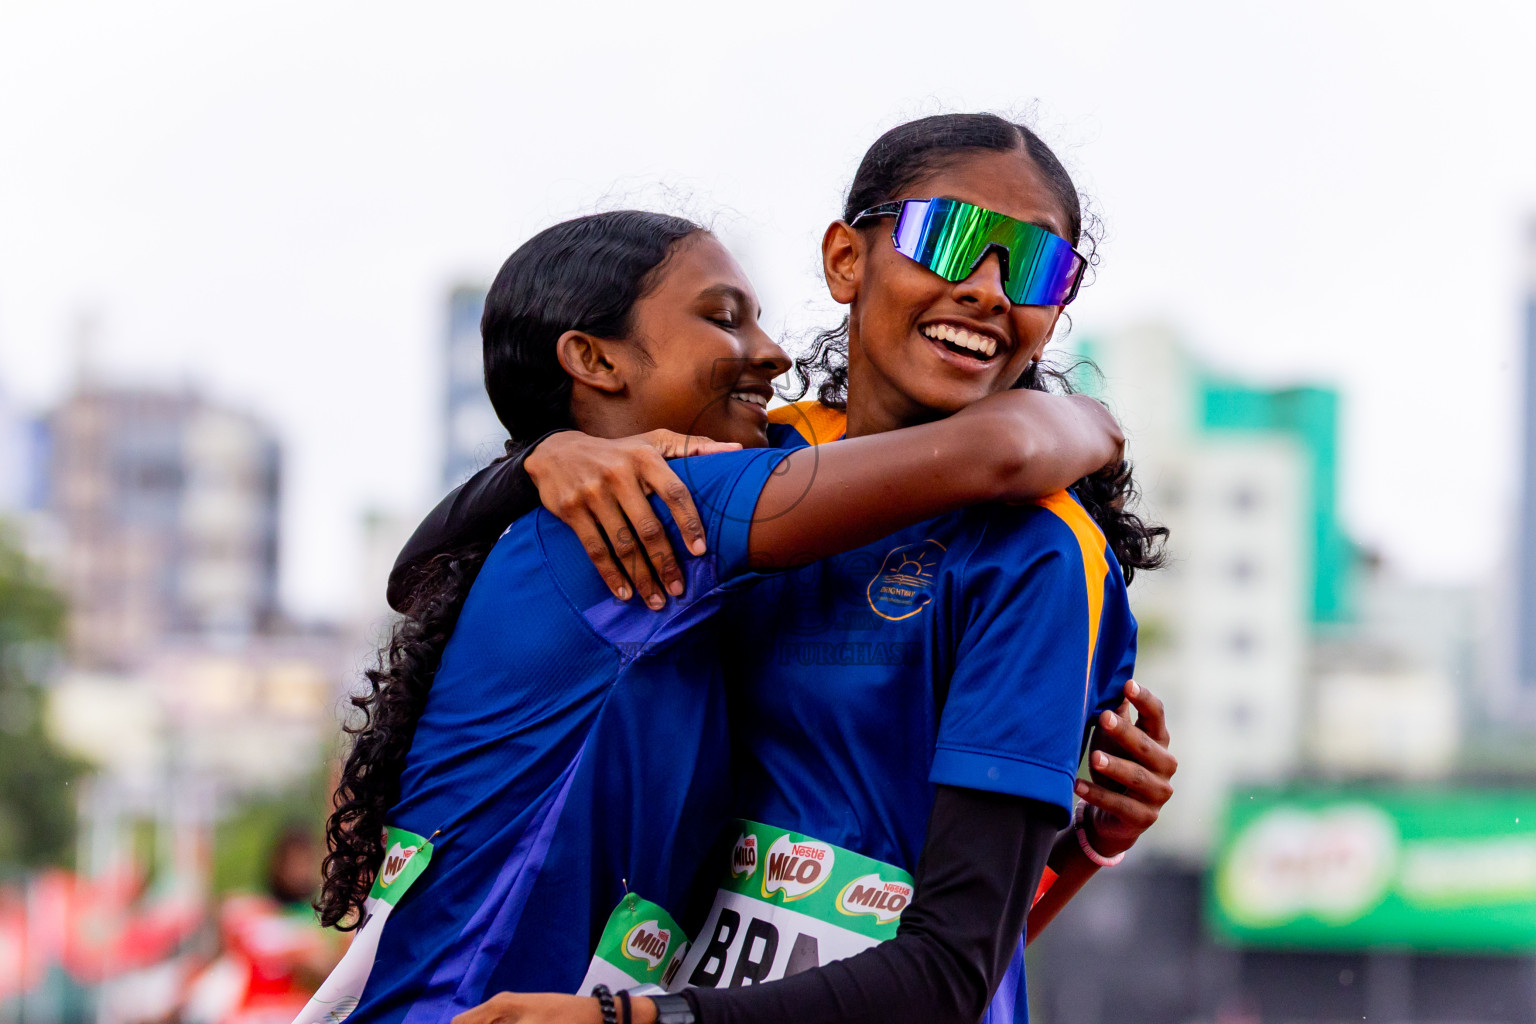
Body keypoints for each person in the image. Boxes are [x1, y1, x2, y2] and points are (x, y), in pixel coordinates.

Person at [399, 115, 1173, 1024]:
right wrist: (539, 460)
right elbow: (427, 582)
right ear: (848, 258)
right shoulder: (755, 464)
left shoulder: (1036, 555)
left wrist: (1083, 851)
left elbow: (955, 964)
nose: (989, 290)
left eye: (1037, 268)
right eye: (954, 238)